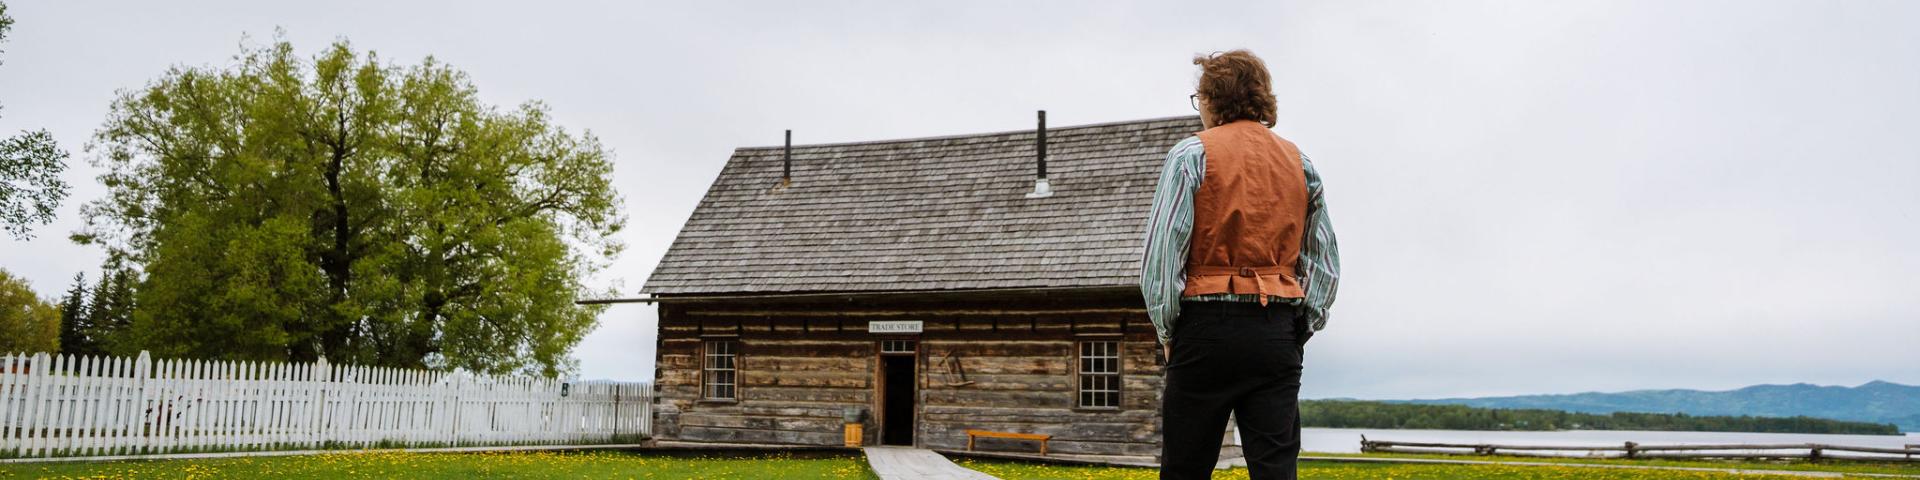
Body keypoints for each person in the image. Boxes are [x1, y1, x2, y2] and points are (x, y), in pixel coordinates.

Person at [1140, 49, 1341, 480]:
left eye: (1199, 99)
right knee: (1275, 469)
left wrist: (1167, 331)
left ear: (1212, 100)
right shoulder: (1300, 164)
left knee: (1186, 468)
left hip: (1204, 327)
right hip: (1276, 328)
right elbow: (1324, 264)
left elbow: (1161, 260)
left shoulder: (1190, 156)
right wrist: (1298, 327)